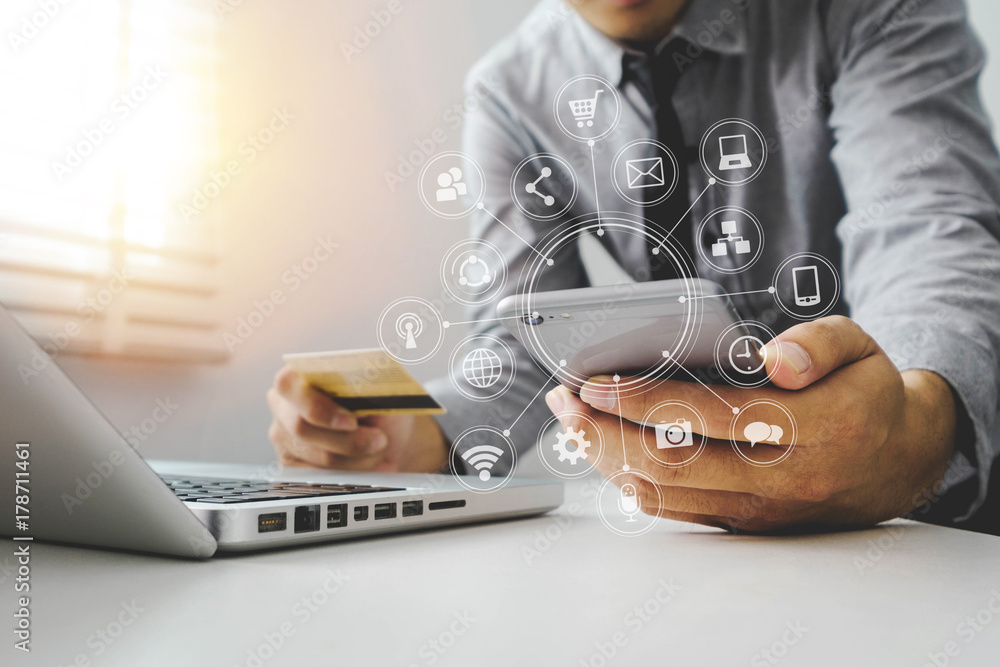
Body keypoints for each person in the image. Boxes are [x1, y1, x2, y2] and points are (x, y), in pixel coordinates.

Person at [267, 0, 1000, 534]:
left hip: (946, 514)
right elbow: (525, 332)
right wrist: (425, 437)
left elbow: (928, 227)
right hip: (704, 533)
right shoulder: (510, 88)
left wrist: (911, 425)